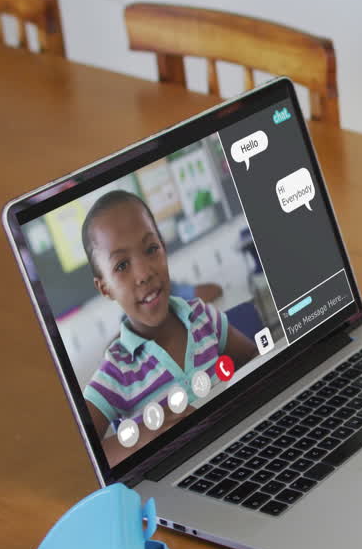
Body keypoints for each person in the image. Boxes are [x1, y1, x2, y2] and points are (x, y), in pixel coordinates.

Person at [79, 190, 258, 463]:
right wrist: (145, 434)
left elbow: (256, 363)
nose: (144, 273)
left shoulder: (202, 318)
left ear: (163, 247)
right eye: (122, 265)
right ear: (104, 287)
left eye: (151, 249)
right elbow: (85, 456)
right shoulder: (118, 372)